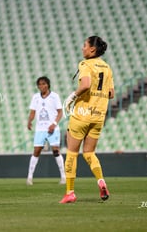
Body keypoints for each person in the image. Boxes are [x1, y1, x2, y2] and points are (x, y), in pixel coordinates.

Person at [59, 36, 114, 204]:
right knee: (89, 153)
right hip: (98, 116)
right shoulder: (107, 67)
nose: (82, 48)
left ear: (92, 50)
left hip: (82, 115)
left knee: (72, 153)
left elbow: (86, 84)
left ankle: (70, 192)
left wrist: (72, 97)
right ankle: (101, 181)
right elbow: (111, 93)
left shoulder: (85, 64)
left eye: (85, 45)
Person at [26, 76, 66, 185]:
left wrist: (54, 124)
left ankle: (63, 177)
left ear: (48, 84)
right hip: (40, 129)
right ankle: (29, 178)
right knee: (36, 151)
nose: (41, 86)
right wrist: (29, 121)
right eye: (39, 84)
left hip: (52, 128)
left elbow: (60, 112)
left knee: (56, 150)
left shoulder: (54, 96)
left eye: (43, 84)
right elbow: (33, 112)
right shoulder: (35, 97)